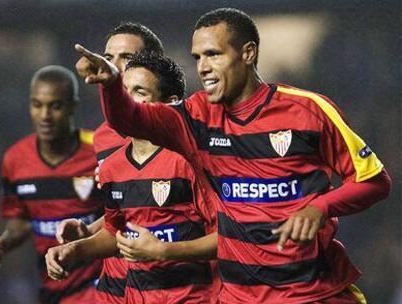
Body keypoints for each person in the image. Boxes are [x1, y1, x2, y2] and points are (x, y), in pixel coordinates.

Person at [74, 7, 392, 304]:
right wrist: (112, 85)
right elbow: (130, 119)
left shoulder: (309, 110)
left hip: (315, 292)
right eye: (197, 57)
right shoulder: (195, 117)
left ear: (248, 53)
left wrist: (321, 206)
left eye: (213, 54)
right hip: (240, 296)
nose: (203, 67)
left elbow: (374, 181)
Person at [46, 52, 219, 304]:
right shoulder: (112, 167)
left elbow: (227, 236)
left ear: (171, 103)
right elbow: (114, 233)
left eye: (139, 91)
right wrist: (74, 250)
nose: (125, 99)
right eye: (123, 89)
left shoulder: (190, 162)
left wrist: (163, 251)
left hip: (192, 297)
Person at [56, 22, 165, 303]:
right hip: (116, 287)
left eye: (126, 58)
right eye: (108, 57)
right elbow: (130, 209)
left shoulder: (177, 130)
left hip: (170, 287)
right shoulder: (104, 135)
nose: (113, 66)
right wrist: (88, 231)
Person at [0, 65, 104, 303]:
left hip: (99, 285)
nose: (45, 116)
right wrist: (5, 241)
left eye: (55, 106)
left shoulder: (100, 149)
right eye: (37, 105)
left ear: (73, 105)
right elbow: (21, 219)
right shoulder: (15, 159)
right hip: (52, 286)